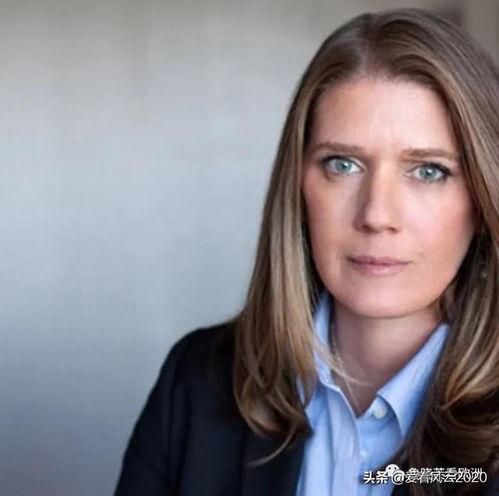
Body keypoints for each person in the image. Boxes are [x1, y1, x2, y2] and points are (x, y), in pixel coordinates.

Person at [114, 8, 499, 496]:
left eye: (428, 171)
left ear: (483, 198)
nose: (377, 214)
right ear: (298, 187)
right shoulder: (197, 379)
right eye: (343, 164)